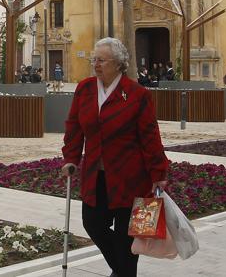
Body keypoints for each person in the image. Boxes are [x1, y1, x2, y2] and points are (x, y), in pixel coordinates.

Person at [62, 38, 169, 276]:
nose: (95, 64)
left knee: (128, 239)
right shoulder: (85, 89)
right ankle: (122, 271)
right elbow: (74, 127)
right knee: (93, 224)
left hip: (131, 178)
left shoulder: (136, 94)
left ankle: (122, 271)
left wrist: (158, 173)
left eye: (101, 60)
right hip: (95, 176)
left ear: (118, 64)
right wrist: (71, 158)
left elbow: (150, 136)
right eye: (94, 59)